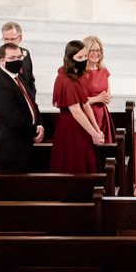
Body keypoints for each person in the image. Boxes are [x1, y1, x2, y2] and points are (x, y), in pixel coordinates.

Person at [50, 40, 105, 175]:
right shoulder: (65, 79)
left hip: (82, 125)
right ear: (70, 58)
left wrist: (97, 130)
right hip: (71, 128)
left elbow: (86, 105)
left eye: (85, 56)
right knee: (74, 162)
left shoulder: (78, 75)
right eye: (80, 57)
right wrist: (94, 134)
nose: (84, 60)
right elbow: (76, 111)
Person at [0, 43, 44, 173]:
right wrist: (34, 133)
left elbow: (31, 103)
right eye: (12, 58)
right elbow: (14, 119)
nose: (17, 61)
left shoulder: (16, 75)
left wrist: (40, 124)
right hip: (11, 149)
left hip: (22, 144)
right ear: (2, 61)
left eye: (19, 57)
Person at [82, 35, 117, 144]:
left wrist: (106, 98)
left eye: (98, 50)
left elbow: (107, 96)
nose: (96, 53)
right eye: (92, 50)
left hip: (102, 115)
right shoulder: (81, 73)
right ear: (86, 52)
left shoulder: (103, 70)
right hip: (87, 116)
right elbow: (77, 101)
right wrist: (97, 98)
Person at [0, 22, 35, 98]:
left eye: (12, 39)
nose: (9, 42)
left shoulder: (26, 54)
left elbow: (30, 80)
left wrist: (31, 99)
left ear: (20, 38)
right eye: (6, 39)